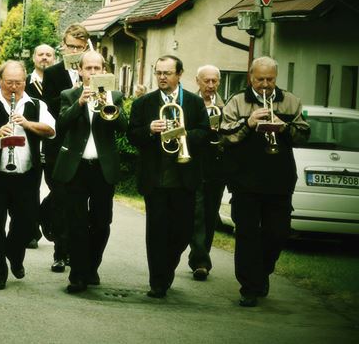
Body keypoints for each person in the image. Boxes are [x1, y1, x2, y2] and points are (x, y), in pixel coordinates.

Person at [220, 56, 309, 307]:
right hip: (244, 180)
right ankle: (249, 287)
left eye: (270, 79)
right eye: (260, 79)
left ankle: (261, 273)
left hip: (279, 180)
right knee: (247, 234)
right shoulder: (238, 101)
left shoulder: (290, 100)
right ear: (251, 77)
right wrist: (248, 123)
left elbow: (303, 135)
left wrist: (284, 127)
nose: (265, 85)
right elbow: (225, 137)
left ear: (276, 78)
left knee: (277, 233)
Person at [0, 60, 55, 290]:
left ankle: (15, 256)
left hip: (27, 176)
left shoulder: (37, 104)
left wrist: (27, 124)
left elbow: (50, 130)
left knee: (26, 224)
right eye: (9, 83)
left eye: (18, 82)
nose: (14, 87)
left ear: (25, 81)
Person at [128, 55, 209, 298]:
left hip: (184, 178)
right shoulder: (144, 103)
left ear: (179, 74)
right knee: (156, 232)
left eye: (167, 73)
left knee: (182, 232)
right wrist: (149, 131)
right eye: (159, 73)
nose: (162, 77)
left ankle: (168, 267)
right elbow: (132, 135)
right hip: (156, 179)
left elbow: (205, 134)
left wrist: (183, 133)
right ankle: (158, 281)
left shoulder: (194, 103)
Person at [53, 51, 128, 293]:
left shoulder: (114, 95)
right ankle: (77, 275)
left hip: (102, 169)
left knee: (101, 222)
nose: (93, 73)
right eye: (89, 68)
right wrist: (80, 103)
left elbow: (123, 127)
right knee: (75, 223)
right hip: (75, 169)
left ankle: (92, 266)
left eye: (97, 68)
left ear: (103, 71)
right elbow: (61, 124)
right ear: (80, 71)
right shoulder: (69, 95)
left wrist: (106, 102)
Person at [41, 24, 90, 272]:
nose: (74, 52)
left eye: (79, 48)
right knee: (61, 201)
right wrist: (72, 97)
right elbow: (48, 108)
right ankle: (60, 252)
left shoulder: (94, 71)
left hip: (84, 148)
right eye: (70, 46)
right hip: (58, 148)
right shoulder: (52, 74)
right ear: (63, 46)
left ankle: (75, 250)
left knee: (77, 205)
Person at [188, 65, 227, 281]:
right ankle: (200, 261)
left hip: (216, 166)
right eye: (207, 81)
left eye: (215, 81)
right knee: (196, 213)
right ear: (198, 81)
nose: (211, 85)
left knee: (210, 214)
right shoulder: (190, 103)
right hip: (193, 163)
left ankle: (201, 256)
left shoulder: (226, 106)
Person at [24, 43, 56, 248]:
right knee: (30, 188)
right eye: (40, 54)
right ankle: (31, 230)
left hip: (54, 139)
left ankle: (44, 214)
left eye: (48, 55)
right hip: (30, 138)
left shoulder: (62, 81)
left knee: (57, 187)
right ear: (34, 58)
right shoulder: (24, 82)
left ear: (54, 58)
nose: (44, 58)